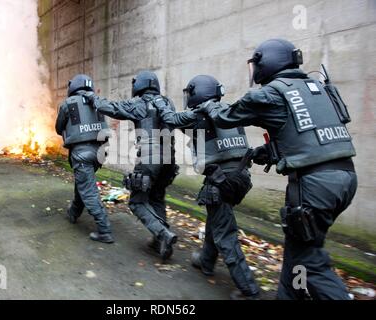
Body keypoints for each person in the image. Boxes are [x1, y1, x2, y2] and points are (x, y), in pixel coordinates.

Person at [202, 39, 357, 300]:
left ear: (265, 62)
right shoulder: (316, 87)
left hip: (313, 187)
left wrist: (208, 104)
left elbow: (224, 116)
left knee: (312, 263)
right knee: (298, 252)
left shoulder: (269, 93)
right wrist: (269, 152)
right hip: (345, 178)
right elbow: (307, 133)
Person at [154, 74, 260, 300]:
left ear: (197, 92)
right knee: (217, 219)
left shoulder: (197, 115)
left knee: (226, 235)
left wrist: (160, 101)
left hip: (220, 181)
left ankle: (249, 289)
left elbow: (170, 119)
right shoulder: (231, 110)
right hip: (241, 178)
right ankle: (206, 261)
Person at [85, 71, 179, 261]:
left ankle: (163, 234)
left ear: (140, 85)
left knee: (137, 202)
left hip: (150, 158)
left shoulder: (140, 104)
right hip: (170, 158)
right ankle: (158, 241)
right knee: (157, 198)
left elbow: (111, 107)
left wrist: (92, 97)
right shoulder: (167, 103)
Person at [55, 74, 114, 244]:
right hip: (100, 152)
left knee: (88, 190)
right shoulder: (97, 101)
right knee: (83, 182)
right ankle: (73, 212)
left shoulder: (68, 103)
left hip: (82, 153)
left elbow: (59, 128)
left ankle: (104, 230)